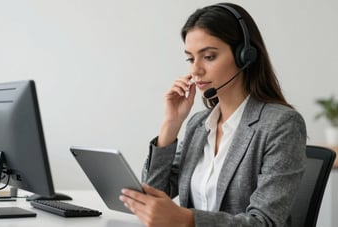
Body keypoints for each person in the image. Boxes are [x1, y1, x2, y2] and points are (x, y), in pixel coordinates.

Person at [119, 2, 307, 227]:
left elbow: (264, 222)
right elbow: (152, 196)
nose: (195, 70)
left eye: (208, 56)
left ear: (244, 56)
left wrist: (187, 220)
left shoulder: (281, 124)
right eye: (191, 58)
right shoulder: (199, 125)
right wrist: (171, 123)